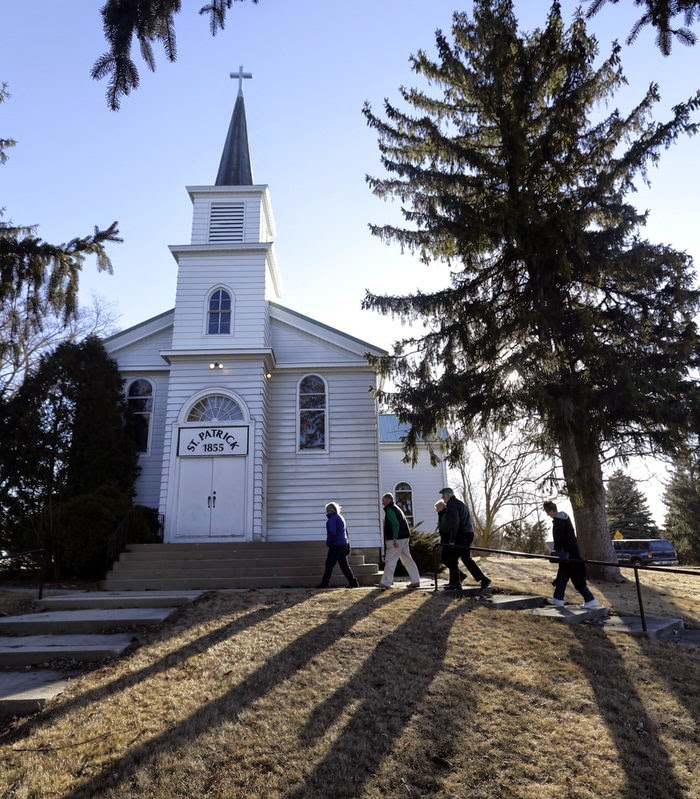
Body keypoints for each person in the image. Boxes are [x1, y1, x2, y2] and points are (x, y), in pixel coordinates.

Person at [543, 500, 600, 608]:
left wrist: (556, 551)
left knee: (575, 577)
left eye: (547, 512)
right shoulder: (564, 518)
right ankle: (558, 598)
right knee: (563, 576)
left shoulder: (558, 521)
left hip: (567, 554)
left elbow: (559, 538)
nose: (547, 514)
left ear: (551, 511)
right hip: (571, 553)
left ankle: (590, 599)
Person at [440, 488, 491, 592]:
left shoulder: (452, 505)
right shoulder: (460, 503)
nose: (442, 497)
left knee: (451, 559)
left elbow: (455, 523)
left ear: (448, 495)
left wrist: (452, 539)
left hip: (461, 535)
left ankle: (455, 583)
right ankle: (483, 579)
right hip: (468, 533)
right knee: (466, 559)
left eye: (443, 495)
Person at [379, 493, 421, 589]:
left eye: (383, 500)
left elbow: (395, 524)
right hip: (405, 537)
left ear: (388, 500)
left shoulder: (390, 509)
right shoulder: (396, 508)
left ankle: (385, 582)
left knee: (390, 559)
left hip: (397, 539)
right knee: (407, 559)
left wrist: (394, 538)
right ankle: (416, 580)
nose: (382, 502)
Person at [318, 502, 360, 588]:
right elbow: (345, 532)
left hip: (336, 545)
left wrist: (329, 543)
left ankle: (324, 583)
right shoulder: (340, 517)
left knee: (329, 564)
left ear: (330, 510)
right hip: (343, 544)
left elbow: (332, 533)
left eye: (327, 510)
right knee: (344, 565)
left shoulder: (332, 519)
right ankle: (353, 582)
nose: (326, 512)